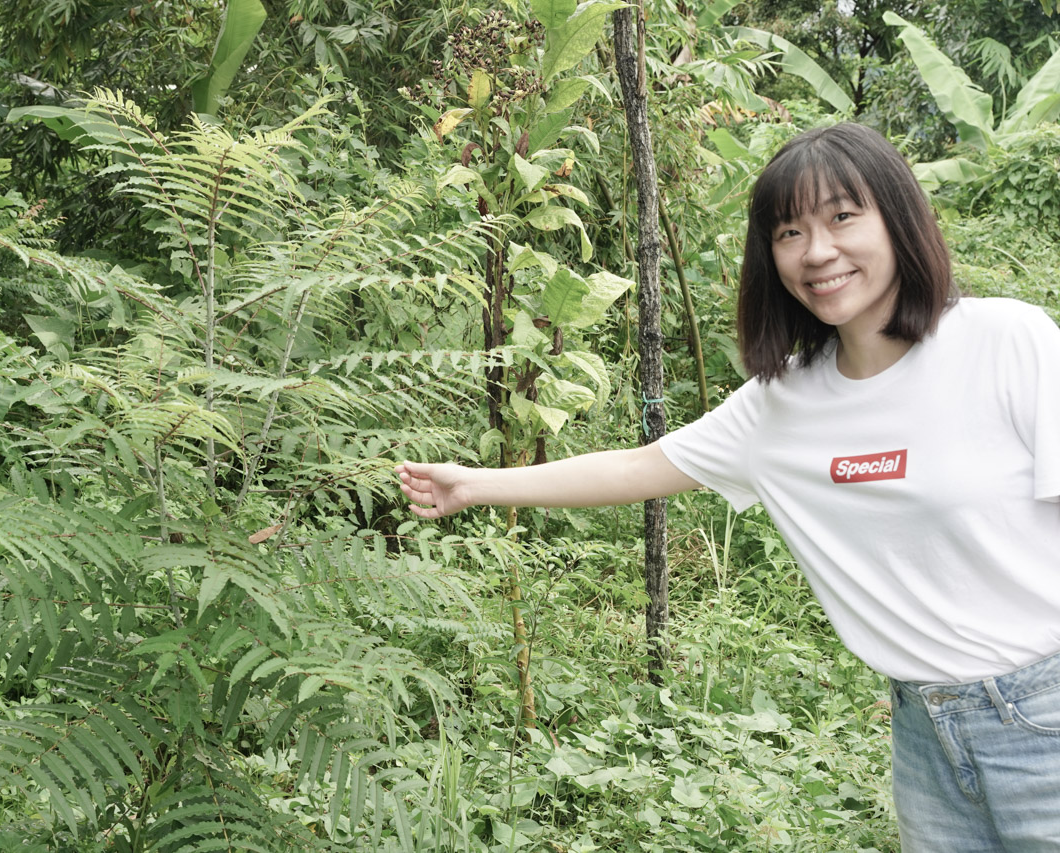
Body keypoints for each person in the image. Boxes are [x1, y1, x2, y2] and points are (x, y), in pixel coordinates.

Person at [395, 122, 1060, 852]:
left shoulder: (1006, 342)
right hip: (924, 734)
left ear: (898, 219)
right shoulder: (780, 405)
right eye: (789, 231)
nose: (818, 252)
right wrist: (478, 484)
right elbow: (634, 467)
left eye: (843, 217)